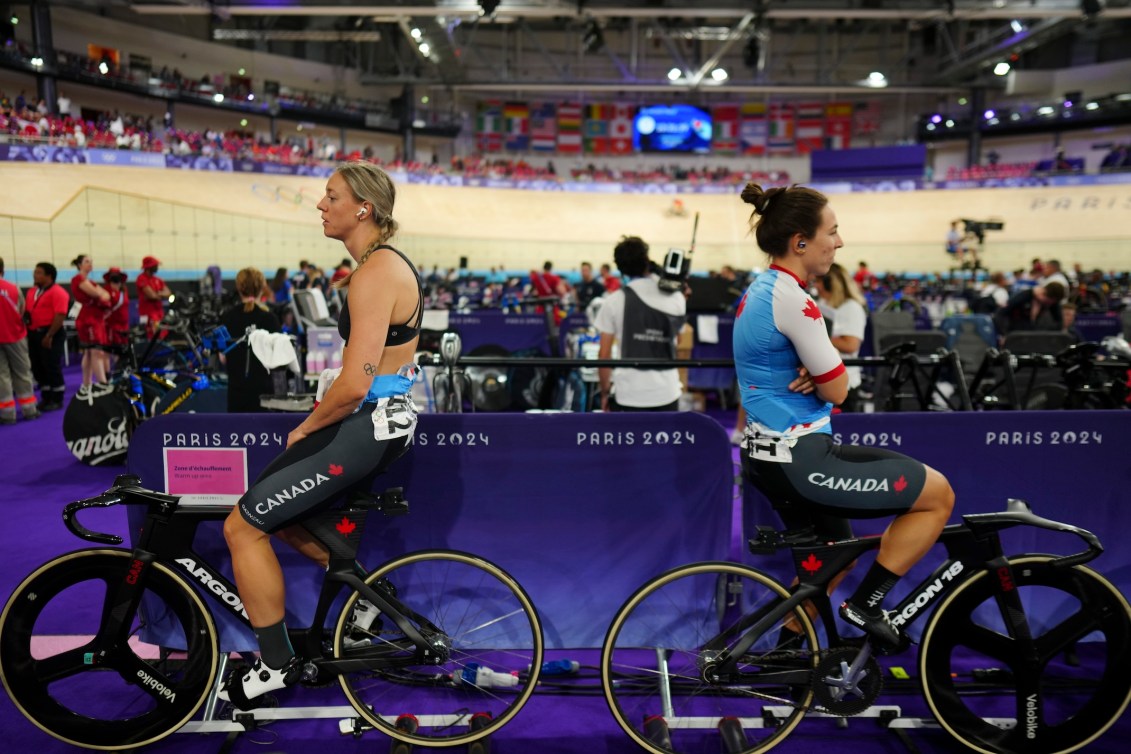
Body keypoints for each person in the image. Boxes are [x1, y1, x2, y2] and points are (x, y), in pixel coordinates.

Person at [220, 162, 422, 709]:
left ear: (363, 208)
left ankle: (275, 664)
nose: (319, 203)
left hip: (367, 423)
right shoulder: (379, 264)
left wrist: (307, 426)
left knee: (242, 527)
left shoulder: (375, 270)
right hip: (380, 421)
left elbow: (356, 383)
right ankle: (367, 599)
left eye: (330, 195)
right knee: (274, 515)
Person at [733, 183, 955, 648]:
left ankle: (786, 656)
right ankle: (869, 604)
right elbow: (839, 388)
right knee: (937, 496)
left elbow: (819, 378)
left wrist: (818, 371)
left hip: (773, 456)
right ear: (800, 242)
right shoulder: (793, 299)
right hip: (799, 458)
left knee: (832, 565)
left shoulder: (761, 289)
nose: (839, 242)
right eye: (832, 232)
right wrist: (824, 373)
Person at [594, 235, 687, 411]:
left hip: (628, 394)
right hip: (666, 392)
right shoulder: (676, 297)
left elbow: (604, 355)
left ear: (620, 268)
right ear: (646, 260)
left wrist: (605, 392)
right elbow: (678, 341)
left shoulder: (613, 301)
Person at [219, 267, 282, 413]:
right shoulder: (269, 319)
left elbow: (222, 358)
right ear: (262, 287)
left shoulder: (227, 317)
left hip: (236, 395)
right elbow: (279, 358)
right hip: (264, 396)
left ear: (239, 288)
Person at [813, 262, 868, 412]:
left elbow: (851, 345)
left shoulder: (851, 308)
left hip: (845, 384)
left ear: (830, 283)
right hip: (824, 380)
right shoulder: (822, 303)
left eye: (818, 281)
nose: (816, 286)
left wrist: (813, 338)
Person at [25, 262, 70, 411]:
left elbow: (60, 315)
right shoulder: (33, 291)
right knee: (37, 367)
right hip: (33, 334)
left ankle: (57, 398)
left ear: (48, 276)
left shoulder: (58, 292)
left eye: (38, 272)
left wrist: (49, 335)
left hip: (51, 333)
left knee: (51, 365)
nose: (35, 274)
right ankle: (46, 396)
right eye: (35, 271)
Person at [0, 257, 39, 424]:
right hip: (15, 336)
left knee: (1, 375)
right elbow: (22, 310)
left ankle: (7, 414)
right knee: (22, 372)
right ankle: (29, 410)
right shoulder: (13, 288)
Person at [70, 254, 112, 390]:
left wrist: (101, 295)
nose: (90, 264)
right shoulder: (78, 279)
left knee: (90, 352)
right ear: (80, 265)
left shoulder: (90, 281)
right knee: (95, 351)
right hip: (88, 320)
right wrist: (100, 296)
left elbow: (107, 295)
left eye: (91, 261)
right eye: (87, 262)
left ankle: (87, 383)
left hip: (94, 319)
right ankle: (102, 383)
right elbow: (97, 294)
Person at [993, 281, 1066, 342]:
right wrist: (1004, 334)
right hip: (1016, 335)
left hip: (1035, 337)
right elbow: (1000, 314)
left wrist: (1046, 333)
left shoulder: (1053, 302)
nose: (1049, 304)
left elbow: (1059, 323)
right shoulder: (1023, 296)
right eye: (1050, 301)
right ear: (1045, 294)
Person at [136, 255, 172, 337]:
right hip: (148, 314)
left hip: (159, 312)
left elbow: (168, 293)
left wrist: (157, 293)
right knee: (153, 335)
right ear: (149, 267)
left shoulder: (158, 279)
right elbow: (152, 296)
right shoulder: (141, 278)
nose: (157, 267)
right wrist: (160, 294)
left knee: (163, 335)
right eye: (155, 266)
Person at [102, 267, 130, 362]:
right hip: (112, 325)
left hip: (124, 324)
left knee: (123, 349)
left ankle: (120, 368)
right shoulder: (106, 290)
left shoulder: (124, 290)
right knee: (111, 349)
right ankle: (109, 372)